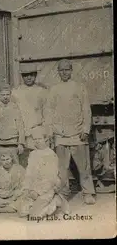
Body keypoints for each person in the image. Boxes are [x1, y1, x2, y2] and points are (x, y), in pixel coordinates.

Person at [44, 59, 96, 205]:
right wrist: (51, 131)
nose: (64, 72)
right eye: (61, 70)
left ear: (71, 71)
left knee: (84, 166)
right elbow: (48, 111)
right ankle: (63, 194)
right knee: (62, 168)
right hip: (60, 135)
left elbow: (86, 109)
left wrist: (86, 129)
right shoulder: (54, 89)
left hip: (78, 133)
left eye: (67, 70)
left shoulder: (80, 87)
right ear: (58, 72)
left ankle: (88, 193)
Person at [18, 131, 70, 218]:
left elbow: (51, 178)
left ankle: (56, 201)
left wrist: (37, 191)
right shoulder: (32, 154)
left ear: (46, 140)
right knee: (22, 211)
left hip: (47, 187)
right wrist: (27, 188)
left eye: (39, 139)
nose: (37, 141)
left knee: (35, 215)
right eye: (35, 139)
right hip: (34, 186)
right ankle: (45, 204)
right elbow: (29, 173)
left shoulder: (50, 154)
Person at [12, 64, 47, 167]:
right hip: (21, 132)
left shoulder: (42, 91)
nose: (28, 77)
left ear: (35, 75)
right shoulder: (15, 92)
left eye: (31, 75)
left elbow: (47, 112)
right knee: (23, 161)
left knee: (39, 161)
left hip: (37, 131)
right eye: (26, 75)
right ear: (22, 76)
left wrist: (46, 131)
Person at [0, 83, 25, 169]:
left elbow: (20, 127)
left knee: (15, 167)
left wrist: (21, 143)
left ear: (10, 95)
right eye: (3, 95)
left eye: (7, 94)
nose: (5, 97)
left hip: (13, 144)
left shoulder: (15, 108)